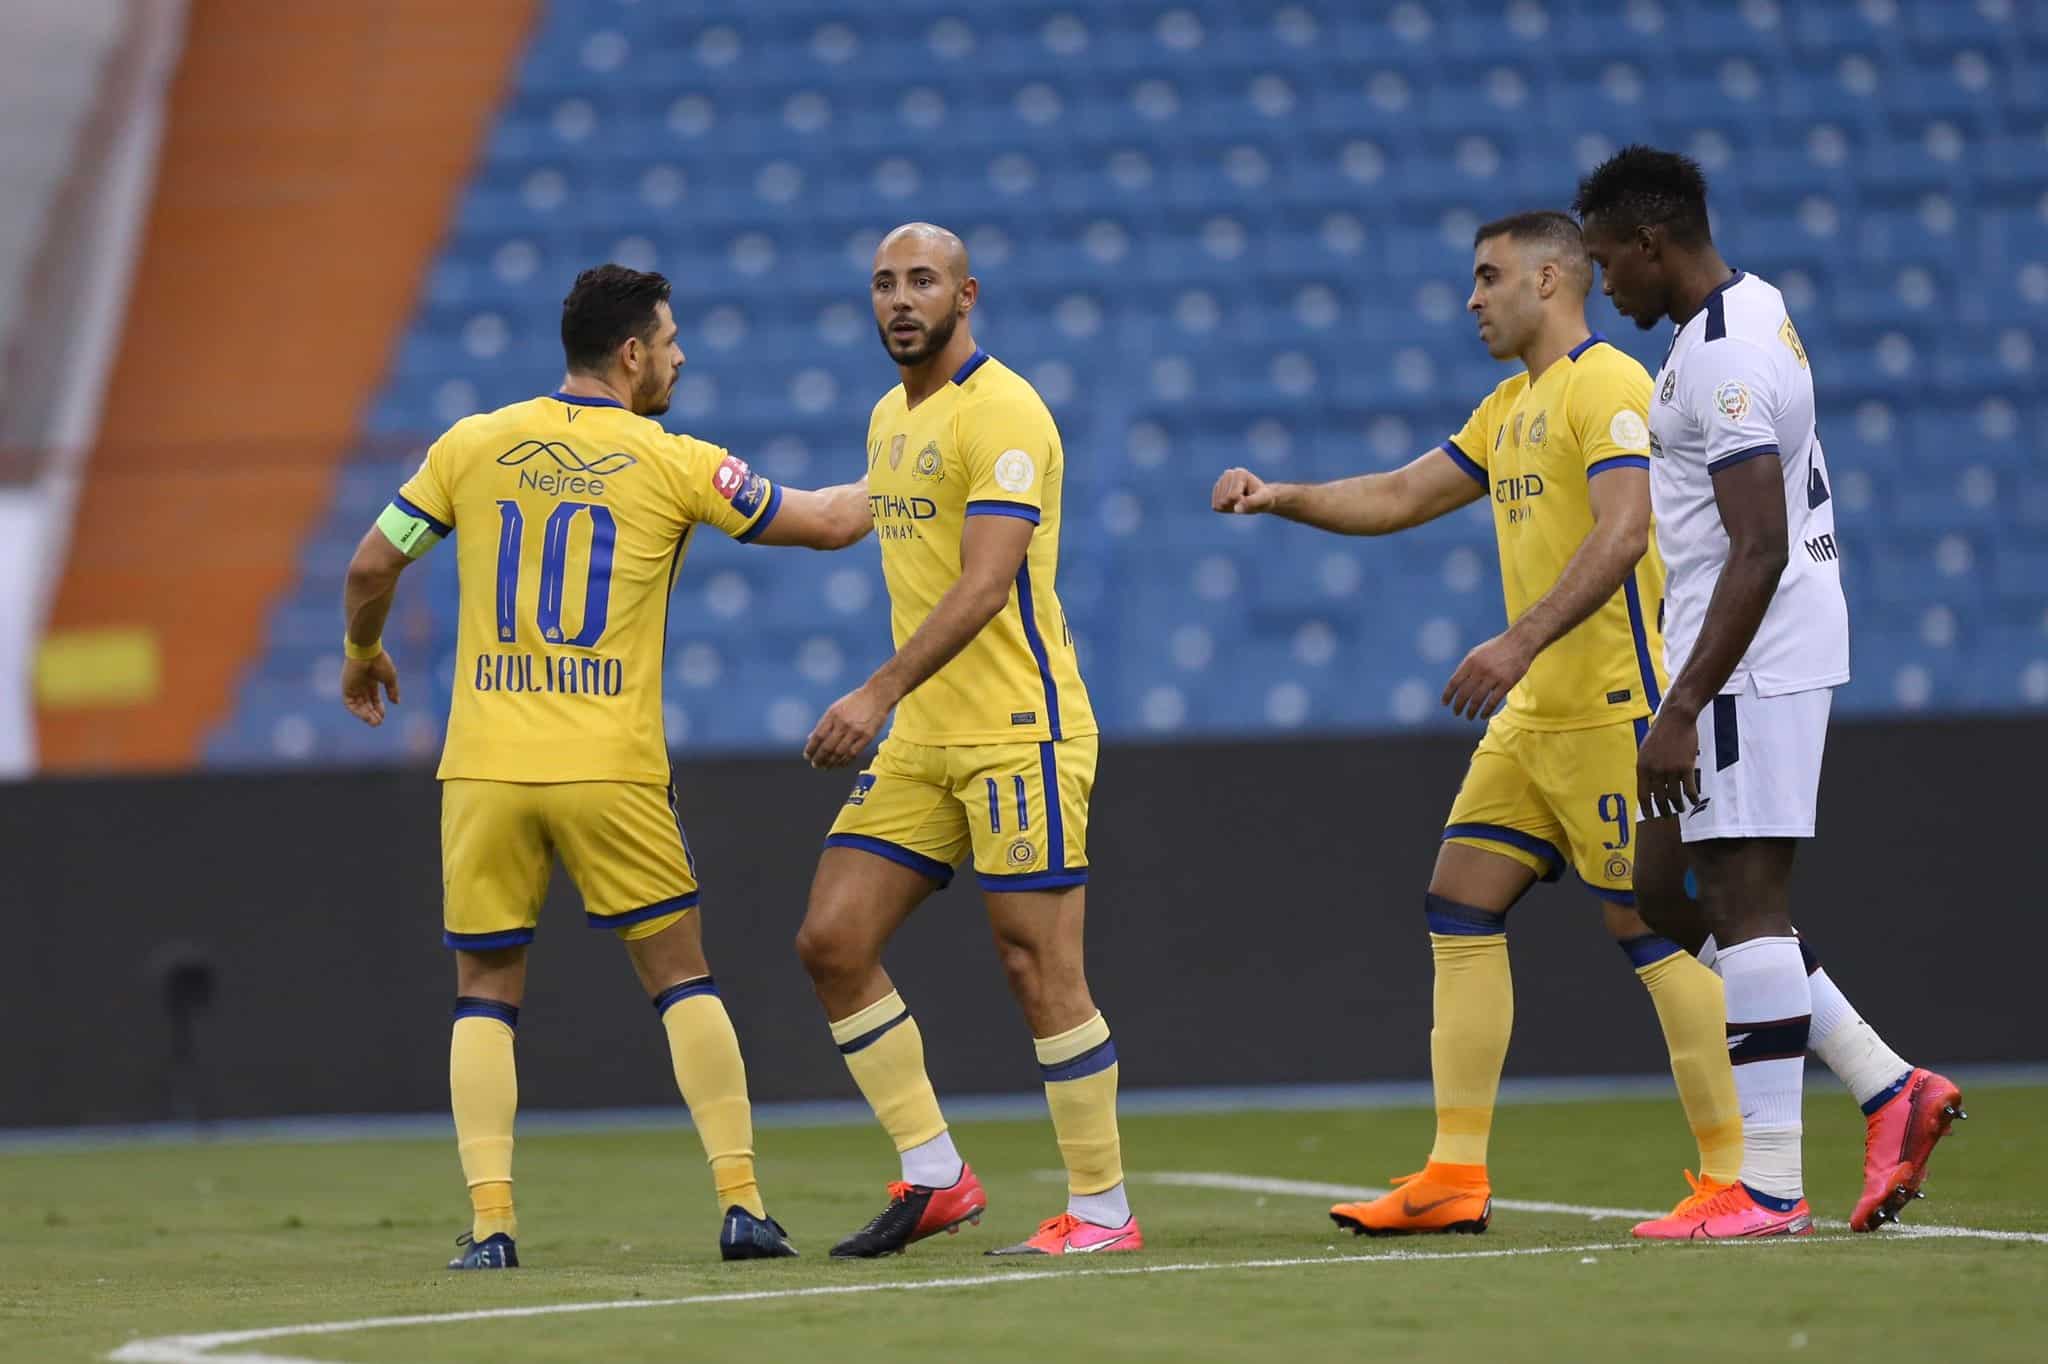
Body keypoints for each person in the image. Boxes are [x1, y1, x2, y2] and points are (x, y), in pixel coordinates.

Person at [1214, 212, 1743, 1236]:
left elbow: (1624, 527)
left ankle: (1732, 1170)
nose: (1470, 298)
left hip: (1610, 709)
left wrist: (1515, 641)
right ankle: (1454, 1170)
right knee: (1457, 899)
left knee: (1648, 925)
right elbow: (1400, 492)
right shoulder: (1508, 406)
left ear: (1548, 279)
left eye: (1486, 276)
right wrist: (1281, 496)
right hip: (1533, 718)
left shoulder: (1609, 386)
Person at [339, 264, 872, 1267]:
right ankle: (743, 1205)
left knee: (485, 990)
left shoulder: (470, 445)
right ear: (631, 353)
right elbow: (831, 521)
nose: (679, 357)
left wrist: (363, 651)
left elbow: (373, 563)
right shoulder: (674, 460)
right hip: (609, 766)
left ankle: (491, 1226)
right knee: (681, 978)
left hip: (486, 769)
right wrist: (920, 469)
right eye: (670, 342)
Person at [1575, 146, 1964, 1238]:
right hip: (1731, 654)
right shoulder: (1744, 314)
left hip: (1746, 659)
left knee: (1745, 904)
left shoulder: (1726, 359)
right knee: (1658, 891)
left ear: (1650, 244)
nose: (1607, 285)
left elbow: (1757, 544)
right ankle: (1889, 1083)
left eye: (1609, 263)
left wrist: (1684, 703)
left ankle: (1768, 1186)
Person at [794, 222, 1138, 1259]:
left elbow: (986, 583)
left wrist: (875, 689)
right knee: (831, 941)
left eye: (922, 281)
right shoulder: (888, 418)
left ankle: (1102, 1210)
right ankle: (936, 1172)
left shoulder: (1006, 412)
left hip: (1017, 731)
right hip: (926, 741)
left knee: (1036, 966)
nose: (900, 299)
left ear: (966, 293)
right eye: (884, 283)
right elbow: (858, 510)